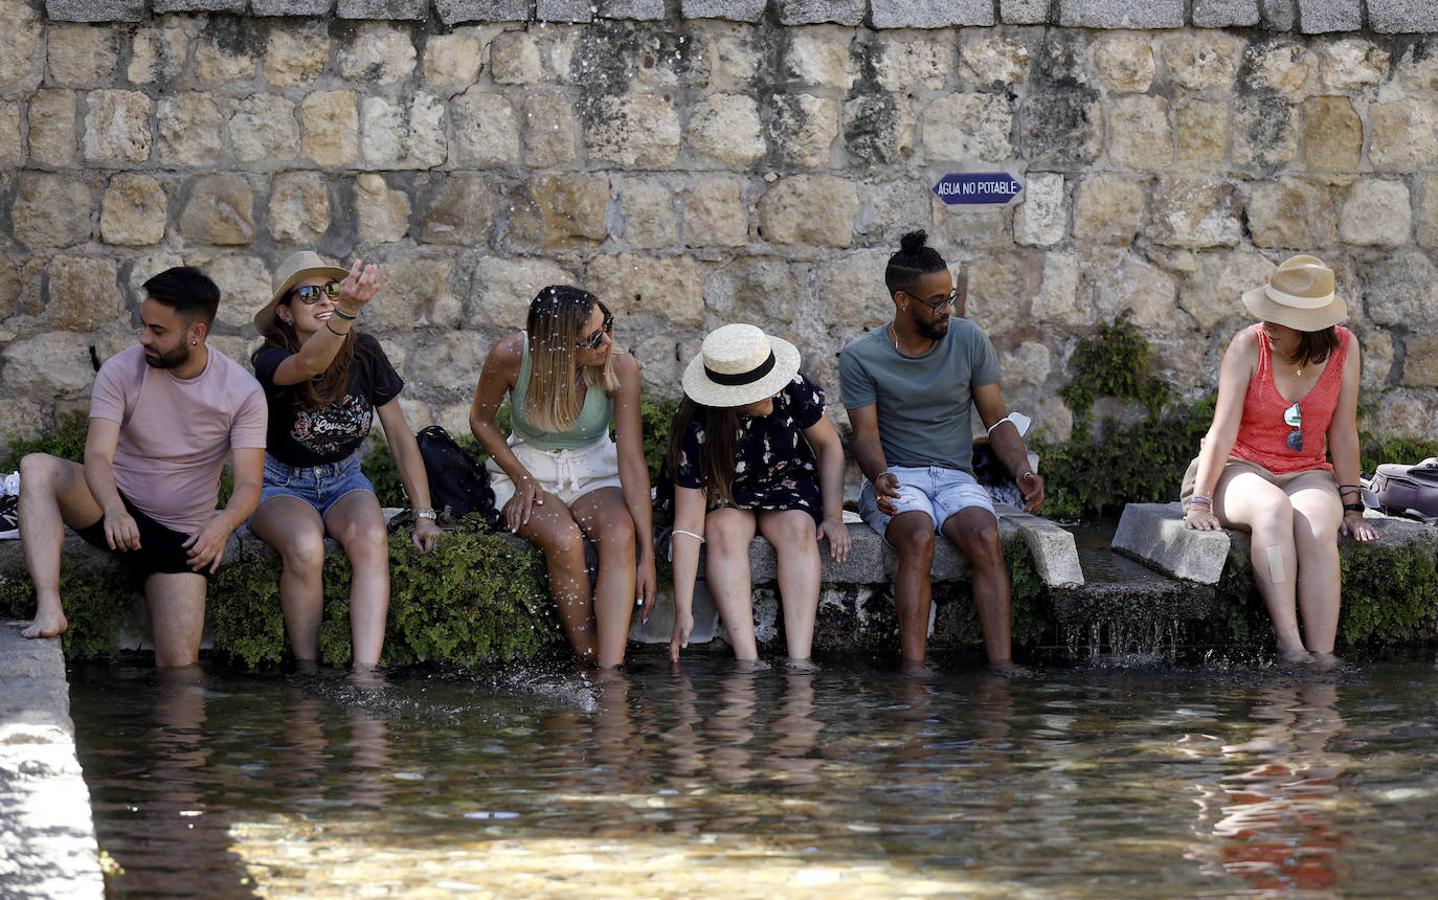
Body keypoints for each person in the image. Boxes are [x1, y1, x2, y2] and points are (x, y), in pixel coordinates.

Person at [18, 267, 267, 668]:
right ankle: (50, 607)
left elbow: (250, 484)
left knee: (180, 681)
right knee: (37, 468)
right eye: (143, 325)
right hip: (112, 512)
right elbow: (97, 456)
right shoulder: (121, 370)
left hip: (180, 539)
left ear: (196, 334)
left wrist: (220, 529)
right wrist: (114, 508)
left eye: (157, 330)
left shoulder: (242, 393)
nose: (143, 338)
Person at [839, 230, 1043, 672]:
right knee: (916, 536)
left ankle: (1001, 669)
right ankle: (913, 673)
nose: (946, 308)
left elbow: (997, 419)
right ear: (902, 300)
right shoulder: (861, 356)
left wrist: (1021, 468)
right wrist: (878, 475)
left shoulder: (969, 340)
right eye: (936, 301)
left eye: (949, 296)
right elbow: (866, 436)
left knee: (986, 537)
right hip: (895, 476)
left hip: (955, 478)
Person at [249, 251, 441, 671]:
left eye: (332, 291)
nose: (324, 300)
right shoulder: (269, 359)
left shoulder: (365, 353)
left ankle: (365, 676)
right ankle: (307, 672)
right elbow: (308, 363)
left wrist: (423, 513)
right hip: (281, 483)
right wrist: (350, 309)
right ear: (284, 311)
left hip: (343, 481)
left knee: (372, 539)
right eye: (309, 293)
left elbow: (399, 436)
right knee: (304, 546)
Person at [1182, 255, 1376, 669]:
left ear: (1310, 327)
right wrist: (1200, 500)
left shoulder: (1345, 348)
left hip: (1307, 471)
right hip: (1238, 468)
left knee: (1318, 527)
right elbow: (1221, 431)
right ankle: (1290, 645)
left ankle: (1322, 658)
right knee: (1272, 509)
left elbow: (1342, 432)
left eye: (1279, 318)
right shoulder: (1248, 345)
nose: (1266, 324)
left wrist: (1353, 507)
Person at [469, 286, 656, 668]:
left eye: (607, 326)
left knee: (621, 534)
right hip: (529, 469)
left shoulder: (620, 367)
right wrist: (521, 478)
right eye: (592, 339)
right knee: (564, 538)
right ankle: (586, 652)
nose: (607, 342)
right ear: (556, 345)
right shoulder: (511, 356)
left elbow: (632, 462)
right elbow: (480, 421)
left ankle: (610, 672)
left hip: (593, 469)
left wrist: (648, 554)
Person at [665, 324, 851, 665]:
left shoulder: (790, 387)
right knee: (721, 530)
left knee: (799, 529)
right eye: (757, 389)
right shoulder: (697, 424)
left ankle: (799, 662)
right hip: (728, 492)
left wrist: (834, 516)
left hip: (788, 482)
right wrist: (683, 609)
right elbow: (689, 525)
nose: (770, 392)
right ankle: (747, 664)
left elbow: (829, 446)